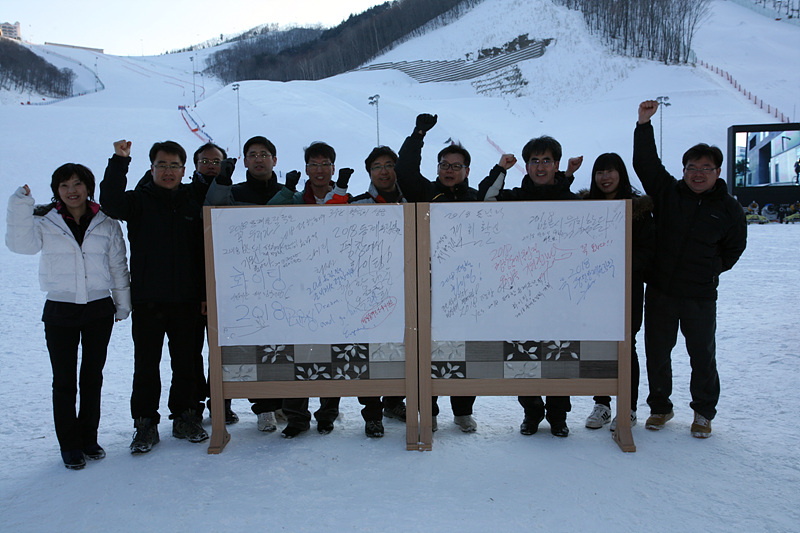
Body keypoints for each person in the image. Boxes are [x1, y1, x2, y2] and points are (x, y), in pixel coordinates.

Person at [633, 100, 747, 438]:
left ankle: (703, 413)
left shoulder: (729, 209)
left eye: (706, 168)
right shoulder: (669, 194)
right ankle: (660, 407)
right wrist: (643, 125)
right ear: (683, 170)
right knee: (657, 353)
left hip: (699, 295)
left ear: (718, 172)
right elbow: (645, 163)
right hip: (661, 291)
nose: (698, 173)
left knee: (702, 356)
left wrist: (712, 269)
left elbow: (734, 248)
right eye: (692, 167)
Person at [6, 164, 131, 469]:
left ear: (88, 187)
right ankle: (70, 445)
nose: (71, 191)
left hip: (99, 308)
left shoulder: (107, 223)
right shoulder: (44, 221)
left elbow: (118, 265)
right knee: (64, 381)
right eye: (64, 185)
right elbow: (19, 246)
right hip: (60, 309)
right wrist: (19, 207)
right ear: (56, 190)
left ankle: (89, 438)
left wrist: (122, 302)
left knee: (92, 377)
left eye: (77, 184)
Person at [100, 139, 209, 454]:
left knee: (187, 362)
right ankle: (145, 424)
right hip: (149, 299)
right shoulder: (138, 201)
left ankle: (186, 417)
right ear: (152, 168)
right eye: (162, 165)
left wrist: (203, 294)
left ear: (184, 169)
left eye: (175, 165)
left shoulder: (193, 200)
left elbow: (203, 253)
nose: (168, 171)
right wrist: (119, 161)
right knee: (146, 365)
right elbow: (110, 202)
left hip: (188, 300)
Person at [478, 135, 582, 437]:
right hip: (520, 294)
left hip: (560, 296)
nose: (540, 166)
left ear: (557, 165)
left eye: (546, 160)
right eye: (534, 161)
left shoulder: (571, 201)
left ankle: (559, 415)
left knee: (559, 354)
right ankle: (532, 411)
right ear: (526, 165)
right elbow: (486, 200)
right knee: (523, 354)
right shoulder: (513, 197)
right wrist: (501, 169)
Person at [395, 113, 479, 433]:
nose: (448, 170)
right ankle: (427, 411)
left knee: (461, 350)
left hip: (465, 288)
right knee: (425, 351)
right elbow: (403, 169)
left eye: (455, 166)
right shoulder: (424, 191)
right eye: (444, 164)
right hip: (426, 285)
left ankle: (462, 410)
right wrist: (418, 134)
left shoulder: (476, 199)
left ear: (467, 171)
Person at [268, 141, 351, 438]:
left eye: (325, 163)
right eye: (313, 164)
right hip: (296, 288)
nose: (319, 169)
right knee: (296, 353)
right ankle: (297, 417)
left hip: (333, 287)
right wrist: (285, 191)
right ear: (306, 168)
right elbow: (264, 219)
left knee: (331, 352)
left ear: (332, 167)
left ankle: (328, 413)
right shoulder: (293, 198)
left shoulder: (345, 197)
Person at [205, 136, 287, 433]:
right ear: (245, 161)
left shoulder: (285, 191)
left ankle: (280, 402)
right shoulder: (234, 192)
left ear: (274, 160)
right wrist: (223, 180)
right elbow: (213, 210)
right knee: (253, 345)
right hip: (244, 283)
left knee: (282, 344)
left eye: (264, 154)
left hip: (283, 281)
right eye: (252, 155)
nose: (259, 159)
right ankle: (263, 407)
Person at [328, 145, 409, 438]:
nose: (384, 171)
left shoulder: (410, 201)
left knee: (401, 352)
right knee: (369, 356)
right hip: (366, 294)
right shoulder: (358, 203)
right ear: (369, 173)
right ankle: (372, 414)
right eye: (377, 166)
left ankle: (394, 403)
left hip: (405, 290)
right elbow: (330, 224)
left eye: (389, 165)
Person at [580, 153, 655, 431]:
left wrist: (619, 264)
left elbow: (648, 252)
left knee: (626, 346)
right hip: (591, 290)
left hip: (626, 288)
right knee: (598, 345)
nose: (605, 177)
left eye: (610, 171)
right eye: (600, 172)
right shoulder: (584, 207)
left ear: (621, 174)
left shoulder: (638, 209)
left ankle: (629, 406)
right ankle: (602, 404)